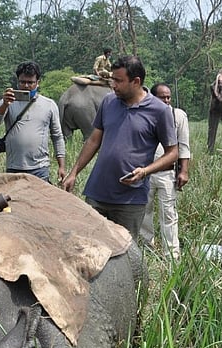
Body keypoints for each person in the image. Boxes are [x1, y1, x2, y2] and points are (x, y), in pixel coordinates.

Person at [62, 56, 177, 238]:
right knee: (89, 245)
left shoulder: (159, 111)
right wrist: (74, 173)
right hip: (97, 192)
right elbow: (93, 141)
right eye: (113, 79)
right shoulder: (108, 102)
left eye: (118, 81)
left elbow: (172, 153)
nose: (113, 85)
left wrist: (145, 171)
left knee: (124, 249)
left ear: (136, 81)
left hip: (130, 199)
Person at [0, 60, 65, 183]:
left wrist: (61, 166)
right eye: (22, 82)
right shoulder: (8, 102)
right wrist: (5, 105)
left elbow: (57, 137)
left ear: (38, 82)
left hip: (40, 168)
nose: (26, 86)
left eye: (30, 82)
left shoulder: (49, 105)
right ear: (17, 81)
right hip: (14, 167)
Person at [139, 83, 190, 259]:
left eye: (168, 97)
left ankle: (171, 254)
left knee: (168, 214)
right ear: (153, 98)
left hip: (167, 173)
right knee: (144, 211)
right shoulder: (144, 114)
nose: (167, 100)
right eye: (162, 97)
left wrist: (184, 171)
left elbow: (184, 145)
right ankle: (146, 247)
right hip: (145, 173)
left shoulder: (178, 115)